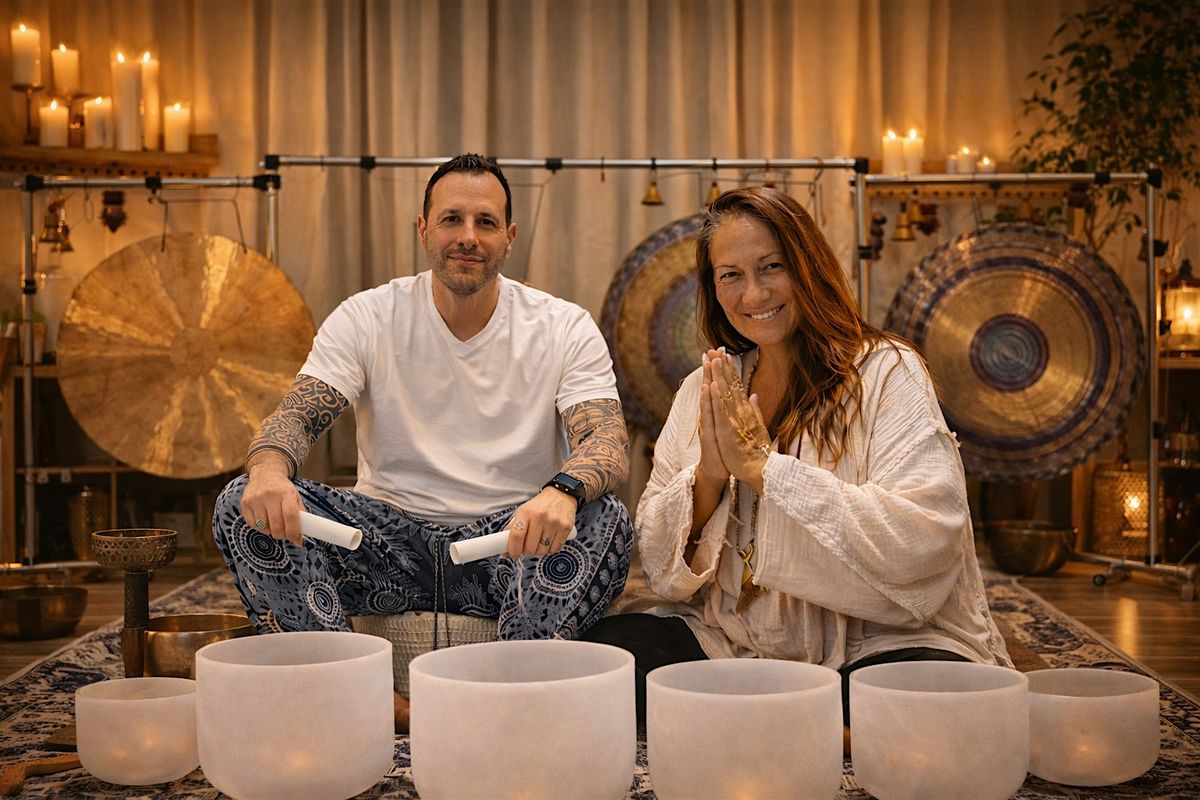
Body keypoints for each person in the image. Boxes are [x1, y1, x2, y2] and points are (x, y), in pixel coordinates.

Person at [213, 154, 633, 729]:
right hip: (383, 546)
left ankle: (506, 690)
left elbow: (605, 441)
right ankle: (357, 693)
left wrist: (561, 491)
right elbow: (297, 415)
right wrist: (267, 471)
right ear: (423, 230)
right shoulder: (367, 315)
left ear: (509, 238)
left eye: (486, 222)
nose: (468, 237)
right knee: (240, 504)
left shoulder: (564, 325)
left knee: (604, 517)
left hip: (510, 544)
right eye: (451, 219)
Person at [584, 186, 1011, 728]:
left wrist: (764, 470)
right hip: (729, 641)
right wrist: (710, 475)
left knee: (932, 700)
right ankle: (809, 724)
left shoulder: (887, 370)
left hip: (874, 644)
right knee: (605, 662)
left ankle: (738, 718)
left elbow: (926, 536)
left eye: (772, 266)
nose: (754, 292)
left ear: (808, 267)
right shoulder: (704, 386)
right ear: (713, 288)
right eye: (731, 275)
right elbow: (659, 558)